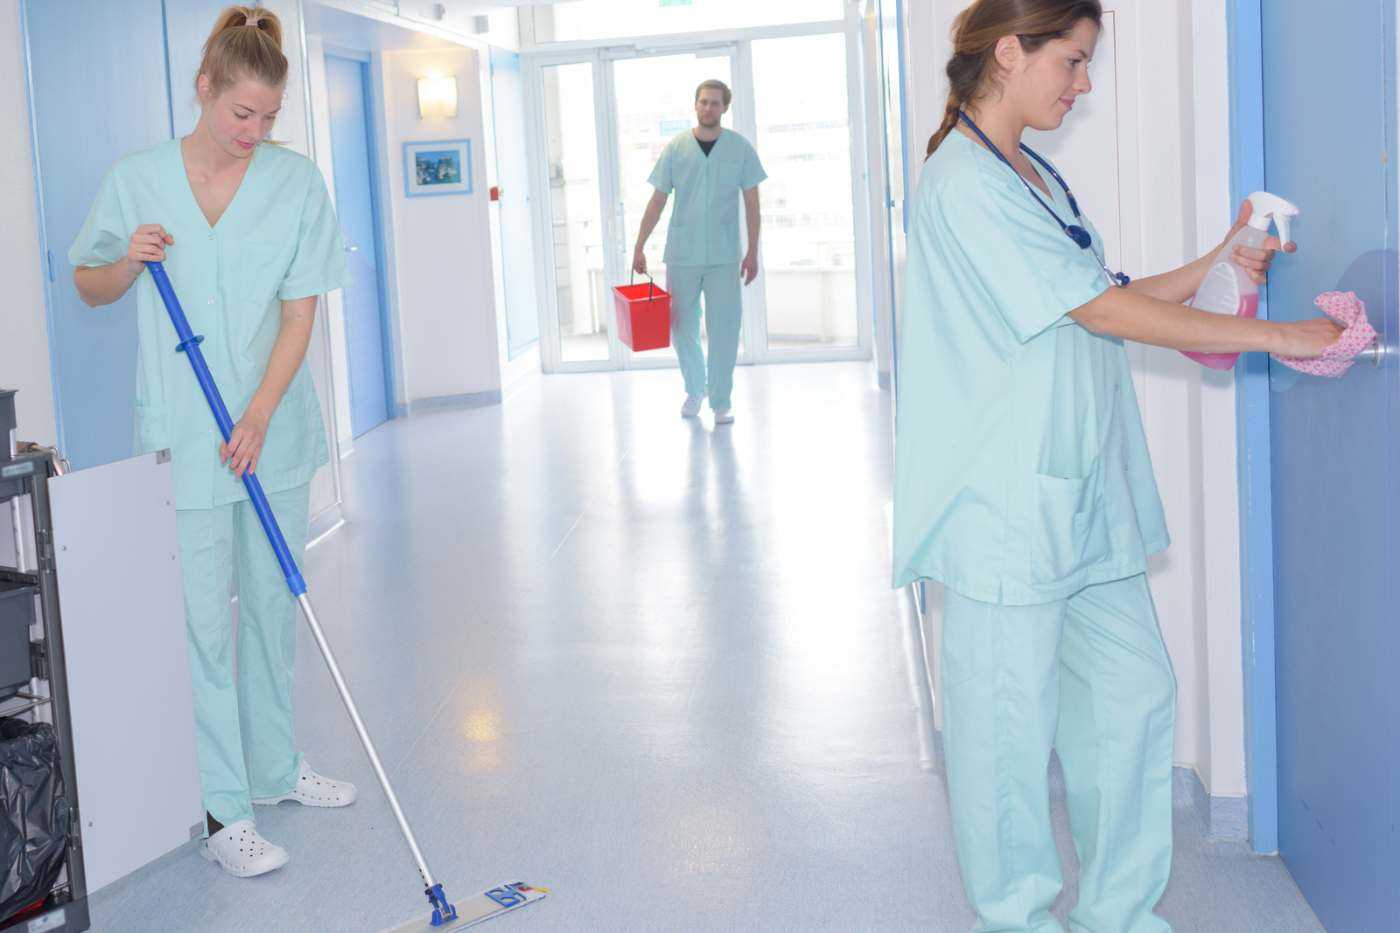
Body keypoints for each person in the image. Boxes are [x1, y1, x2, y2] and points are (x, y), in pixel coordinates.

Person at [891, 1, 1341, 929]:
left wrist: (1222, 257)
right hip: (1004, 505)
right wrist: (1276, 336)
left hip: (1083, 494)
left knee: (1133, 698)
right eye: (1074, 61)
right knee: (1007, 745)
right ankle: (1019, 918)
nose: (1084, 84)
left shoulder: (1034, 177)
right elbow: (1101, 315)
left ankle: (1121, 916)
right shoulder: (962, 184)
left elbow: (1105, 291)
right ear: (1009, 54)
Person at [70, 5, 356, 879]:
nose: (255, 133)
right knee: (202, 626)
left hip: (271, 430)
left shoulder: (297, 181)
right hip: (189, 438)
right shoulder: (138, 179)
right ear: (204, 89)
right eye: (242, 114)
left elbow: (301, 307)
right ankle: (224, 806)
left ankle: (275, 767)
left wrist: (263, 410)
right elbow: (91, 282)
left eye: (269, 118)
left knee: (272, 610)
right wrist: (131, 258)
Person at [633, 79, 766, 425]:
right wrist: (639, 244)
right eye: (704, 102)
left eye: (715, 103)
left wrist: (753, 251)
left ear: (725, 108)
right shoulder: (676, 148)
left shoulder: (739, 148)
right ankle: (695, 389)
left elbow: (752, 203)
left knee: (725, 327)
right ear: (695, 105)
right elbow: (657, 201)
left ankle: (721, 399)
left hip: (725, 255)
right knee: (681, 326)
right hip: (683, 254)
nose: (709, 108)